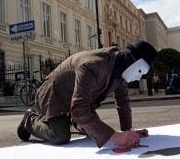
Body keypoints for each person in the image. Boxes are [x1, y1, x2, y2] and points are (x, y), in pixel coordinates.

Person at [17, 40, 158, 148]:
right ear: (133, 63)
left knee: (94, 131)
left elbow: (123, 102)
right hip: (54, 94)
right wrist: (116, 137)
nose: (139, 78)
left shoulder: (121, 72)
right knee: (60, 136)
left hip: (75, 98)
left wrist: (129, 132)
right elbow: (79, 109)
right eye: (140, 71)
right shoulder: (93, 66)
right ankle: (29, 119)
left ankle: (72, 120)